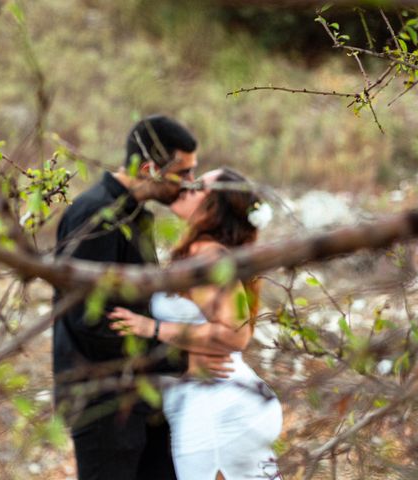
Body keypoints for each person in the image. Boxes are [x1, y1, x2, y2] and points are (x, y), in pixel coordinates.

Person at [53, 115, 232, 480]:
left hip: (144, 398)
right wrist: (180, 360)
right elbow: (92, 325)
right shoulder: (96, 214)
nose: (190, 182)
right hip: (102, 402)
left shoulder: (138, 218)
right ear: (150, 168)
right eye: (184, 172)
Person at [108, 168, 282, 480]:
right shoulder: (206, 251)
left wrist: (154, 329)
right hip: (214, 401)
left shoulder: (208, 256)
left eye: (199, 186)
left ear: (215, 206)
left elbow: (236, 333)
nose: (187, 186)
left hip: (216, 408)